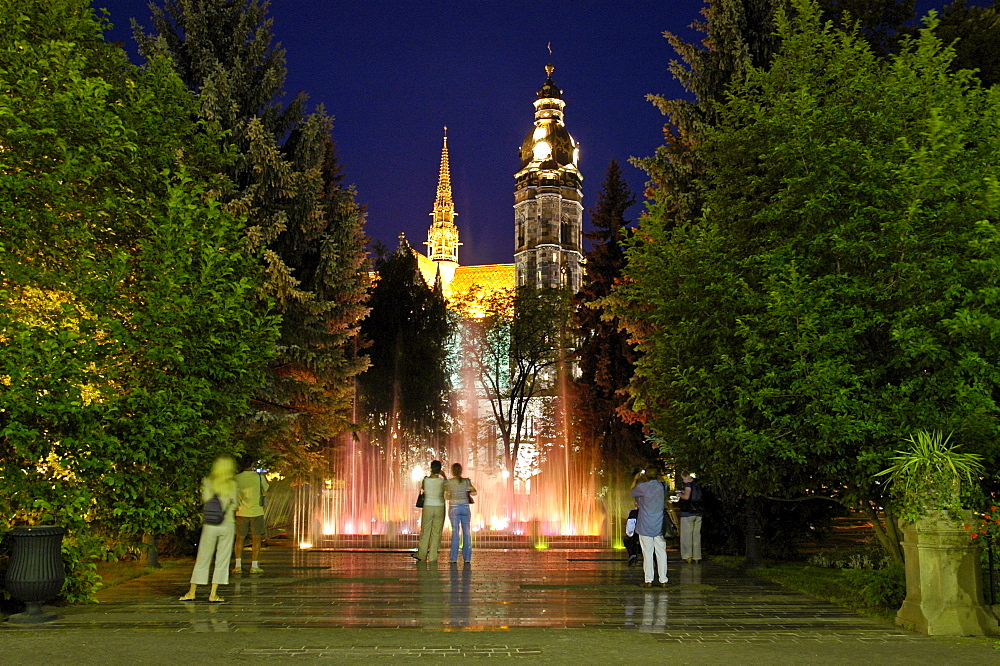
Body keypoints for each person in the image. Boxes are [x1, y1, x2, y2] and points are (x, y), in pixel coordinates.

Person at [180, 454, 238, 602]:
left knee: (203, 557)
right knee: (222, 560)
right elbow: (235, 504)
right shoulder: (233, 484)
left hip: (210, 524)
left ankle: (192, 592)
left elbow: (206, 500)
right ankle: (213, 594)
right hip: (228, 523)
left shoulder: (208, 482)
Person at [630, 467, 668, 588]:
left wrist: (636, 480)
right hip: (659, 525)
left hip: (645, 524)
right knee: (661, 553)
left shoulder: (642, 487)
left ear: (645, 476)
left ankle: (649, 579)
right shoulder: (663, 486)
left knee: (647, 553)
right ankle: (663, 580)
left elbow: (632, 492)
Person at [232, 453, 269, 575]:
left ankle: (238, 566)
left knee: (239, 539)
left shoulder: (236, 478)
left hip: (241, 511)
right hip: (256, 512)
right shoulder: (259, 477)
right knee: (256, 539)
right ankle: (254, 566)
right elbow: (266, 489)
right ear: (252, 464)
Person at [414, 460, 446, 562]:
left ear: (431, 468)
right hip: (440, 506)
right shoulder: (442, 481)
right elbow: (447, 487)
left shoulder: (425, 480)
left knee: (425, 531)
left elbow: (423, 489)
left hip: (428, 506)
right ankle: (433, 557)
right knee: (436, 532)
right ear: (440, 469)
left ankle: (422, 555)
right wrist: (444, 476)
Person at [446, 462, 477, 563]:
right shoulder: (466, 481)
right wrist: (466, 492)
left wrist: (453, 495)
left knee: (455, 532)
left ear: (452, 471)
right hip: (465, 508)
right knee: (466, 532)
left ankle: (453, 558)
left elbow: (446, 496)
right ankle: (467, 557)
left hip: (454, 508)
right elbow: (474, 492)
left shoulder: (449, 482)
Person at [678, 471, 703, 563]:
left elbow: (687, 497)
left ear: (686, 477)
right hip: (698, 513)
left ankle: (687, 556)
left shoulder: (688, 485)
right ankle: (697, 556)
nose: (683, 480)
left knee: (686, 535)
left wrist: (680, 494)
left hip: (688, 513)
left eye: (683, 478)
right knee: (696, 535)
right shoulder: (698, 485)